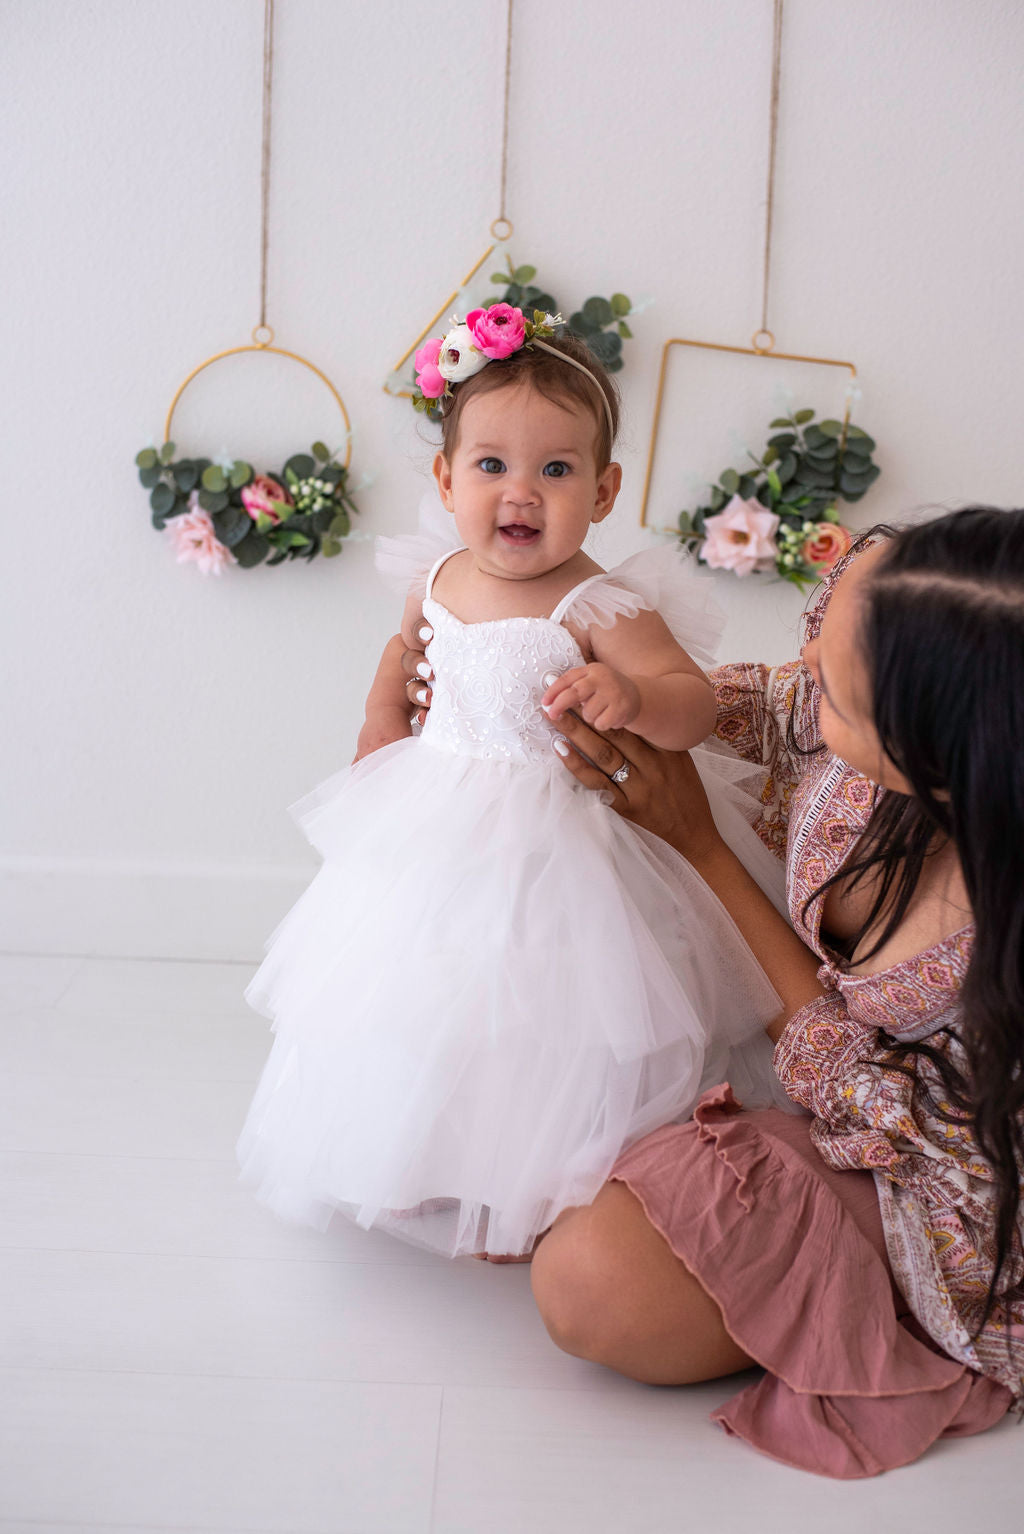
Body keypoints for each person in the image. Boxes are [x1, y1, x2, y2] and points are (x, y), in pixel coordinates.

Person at [236, 307, 790, 1262]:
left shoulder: (599, 600)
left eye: (557, 470)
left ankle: (536, 1183)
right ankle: (424, 1154)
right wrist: (380, 709)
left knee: (550, 1022)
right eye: (491, 466)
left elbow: (692, 704)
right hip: (440, 826)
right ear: (447, 480)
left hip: (567, 846)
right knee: (424, 998)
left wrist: (629, 692)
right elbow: (408, 651)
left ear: (605, 490)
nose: (520, 493)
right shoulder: (438, 571)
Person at [507, 505, 1022, 1477]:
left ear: (941, 759)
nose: (801, 677)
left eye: (834, 686)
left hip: (938, 1196)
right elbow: (762, 705)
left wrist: (701, 846)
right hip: (829, 1073)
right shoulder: (864, 720)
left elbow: (882, 1107)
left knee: (593, 1284)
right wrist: (619, 691)